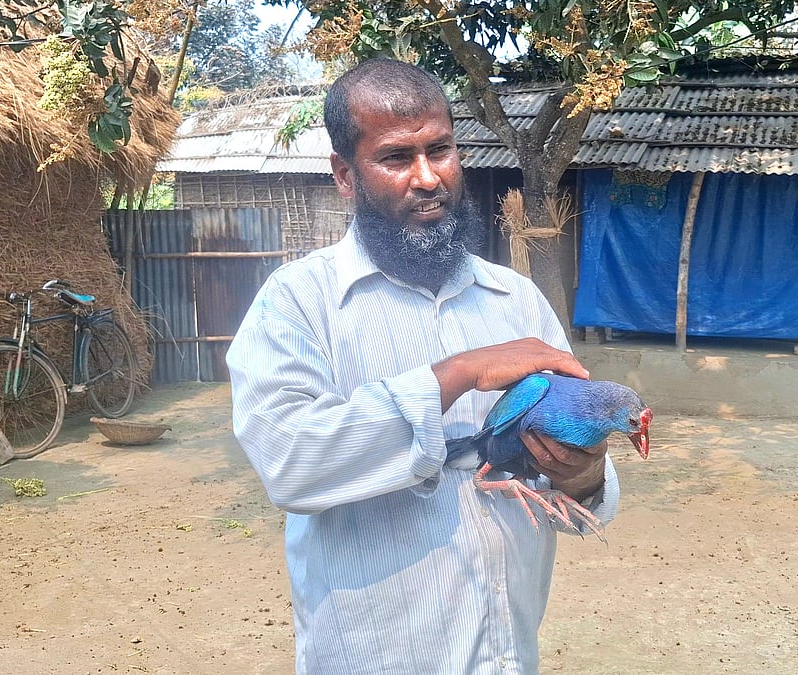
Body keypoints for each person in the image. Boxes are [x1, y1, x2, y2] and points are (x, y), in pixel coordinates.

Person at [226, 58, 620, 673]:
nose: (428, 177)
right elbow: (290, 464)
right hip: (373, 656)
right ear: (345, 175)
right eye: (395, 158)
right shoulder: (298, 302)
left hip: (506, 654)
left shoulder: (516, 301)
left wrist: (584, 473)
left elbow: (573, 483)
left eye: (440, 150)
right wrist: (458, 374)